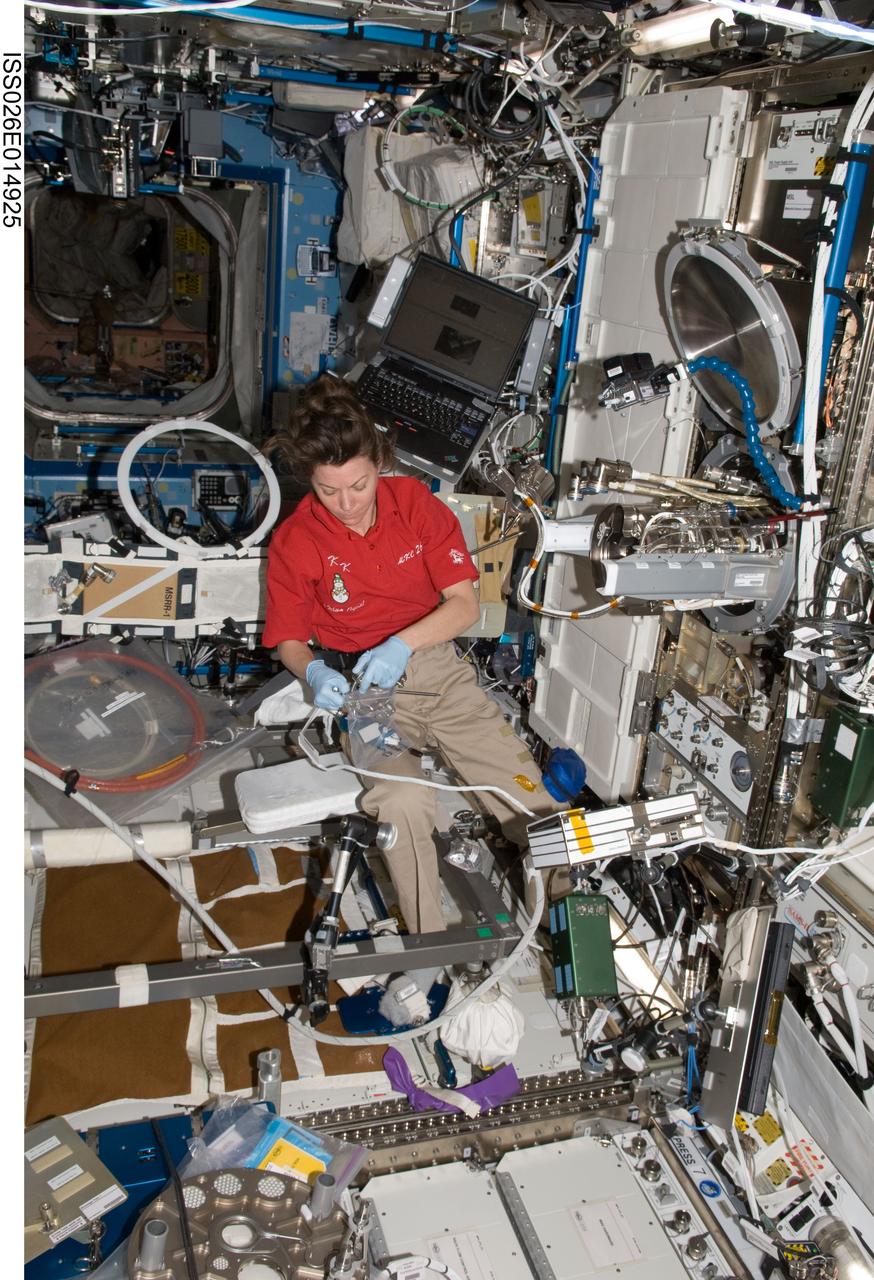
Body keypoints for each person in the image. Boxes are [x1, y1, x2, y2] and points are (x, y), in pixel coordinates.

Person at [262, 375, 558, 937]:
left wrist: (402, 645)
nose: (347, 504)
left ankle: (566, 915)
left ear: (380, 462)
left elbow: (464, 604)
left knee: (530, 800)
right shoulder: (296, 541)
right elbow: (290, 642)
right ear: (310, 482)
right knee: (402, 800)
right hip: (365, 691)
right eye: (329, 491)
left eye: (359, 484)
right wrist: (314, 670)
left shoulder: (416, 506)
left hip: (436, 672)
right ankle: (427, 944)